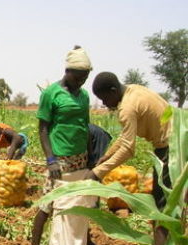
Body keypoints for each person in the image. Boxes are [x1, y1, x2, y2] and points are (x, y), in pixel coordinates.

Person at [90, 71, 171, 245]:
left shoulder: (126, 107)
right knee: (174, 204)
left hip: (171, 152)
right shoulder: (134, 90)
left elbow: (128, 148)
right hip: (178, 141)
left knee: (161, 211)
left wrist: (97, 173)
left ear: (113, 90)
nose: (104, 104)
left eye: (104, 99)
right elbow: (125, 137)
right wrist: (107, 156)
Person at [31, 46, 97, 245]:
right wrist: (51, 160)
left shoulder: (84, 95)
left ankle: (82, 240)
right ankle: (34, 242)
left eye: (84, 78)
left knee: (79, 204)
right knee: (47, 206)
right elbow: (43, 128)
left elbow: (85, 127)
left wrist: (91, 159)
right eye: (78, 77)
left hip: (81, 159)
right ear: (67, 71)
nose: (81, 81)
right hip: (59, 159)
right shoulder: (52, 94)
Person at [31, 123, 112, 245]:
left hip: (76, 166)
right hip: (61, 170)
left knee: (81, 204)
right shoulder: (62, 130)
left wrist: (91, 170)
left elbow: (94, 161)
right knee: (46, 208)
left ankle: (86, 240)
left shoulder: (82, 130)